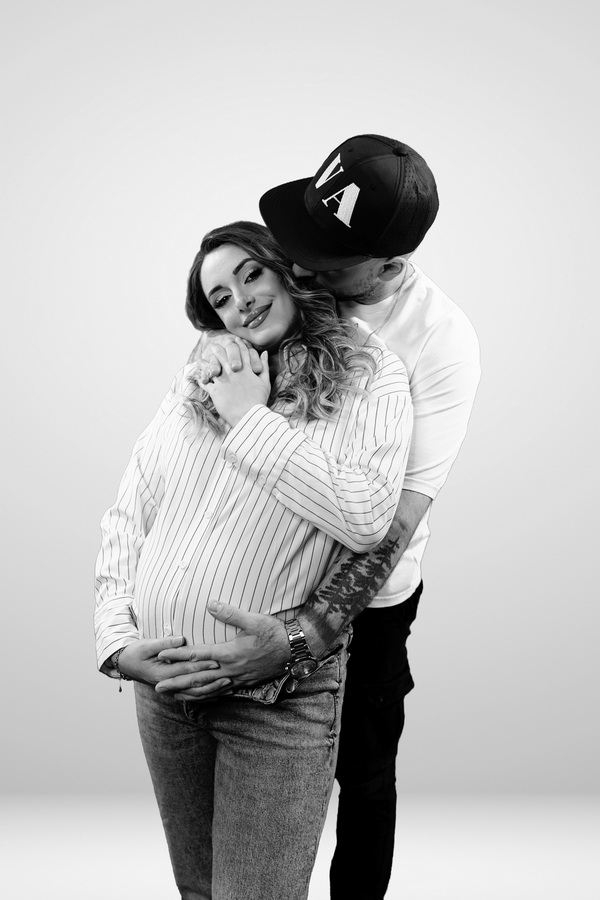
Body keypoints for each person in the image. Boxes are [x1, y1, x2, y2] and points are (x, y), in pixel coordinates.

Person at [156, 135, 481, 900]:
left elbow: (394, 520)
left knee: (362, 775)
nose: (299, 268)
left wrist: (305, 635)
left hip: (365, 604)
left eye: (327, 259)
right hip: (257, 581)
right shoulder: (286, 279)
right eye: (301, 240)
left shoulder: (440, 344)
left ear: (388, 264)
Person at [94, 220, 414, 900]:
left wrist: (250, 418)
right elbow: (128, 515)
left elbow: (366, 519)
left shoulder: (369, 374)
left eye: (250, 274)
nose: (240, 301)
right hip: (165, 693)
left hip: (275, 702)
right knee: (200, 894)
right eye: (220, 296)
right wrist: (118, 643)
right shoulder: (199, 379)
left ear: (287, 269)